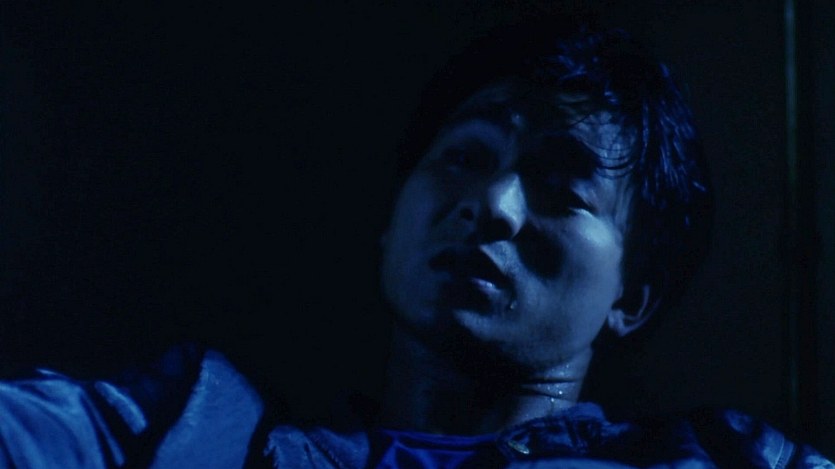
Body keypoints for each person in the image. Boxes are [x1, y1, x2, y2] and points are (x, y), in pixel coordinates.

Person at [0, 20, 831, 468]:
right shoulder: (194, 431)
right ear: (391, 222)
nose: (491, 205)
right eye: (464, 156)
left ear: (633, 293)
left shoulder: (730, 462)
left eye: (560, 186)